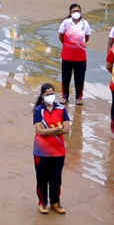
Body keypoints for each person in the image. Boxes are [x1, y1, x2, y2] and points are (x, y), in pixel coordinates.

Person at [32, 83, 71, 215]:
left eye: (52, 93)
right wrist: (58, 128)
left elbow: (66, 129)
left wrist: (51, 130)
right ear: (42, 96)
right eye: (47, 94)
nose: (50, 96)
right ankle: (42, 202)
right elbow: (40, 132)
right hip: (41, 151)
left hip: (58, 150)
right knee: (42, 177)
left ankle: (55, 202)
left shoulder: (61, 109)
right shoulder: (38, 110)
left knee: (56, 178)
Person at [58, 3, 91, 105]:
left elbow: (87, 38)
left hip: (80, 56)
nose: (76, 13)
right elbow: (61, 36)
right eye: (74, 11)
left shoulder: (85, 24)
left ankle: (79, 97)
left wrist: (78, 45)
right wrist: (67, 45)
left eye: (78, 11)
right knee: (65, 77)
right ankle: (65, 96)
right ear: (70, 12)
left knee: (79, 78)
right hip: (67, 55)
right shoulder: (65, 23)